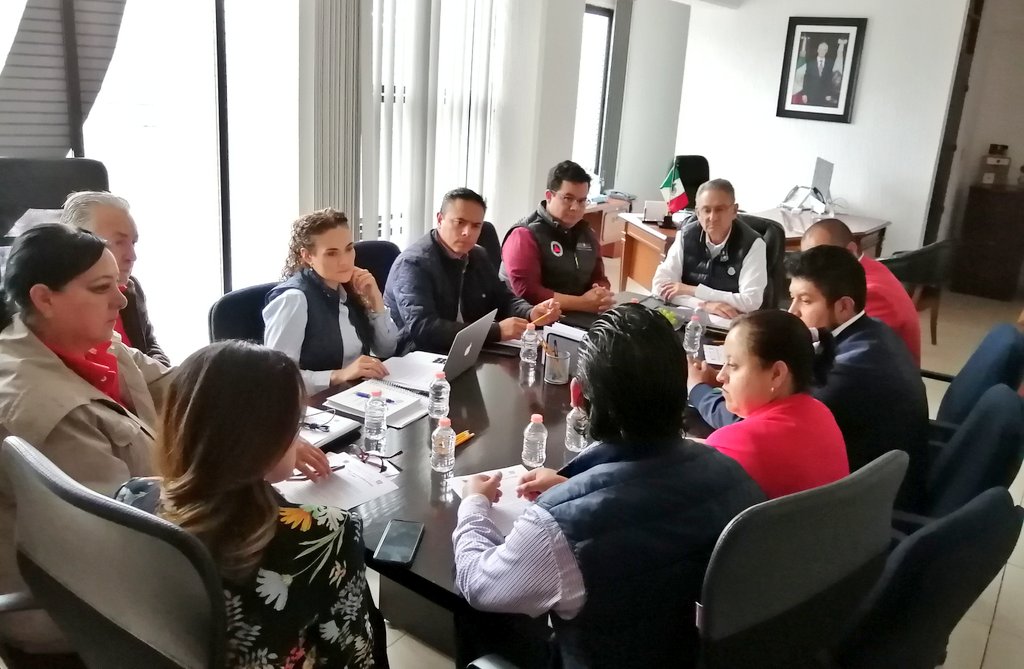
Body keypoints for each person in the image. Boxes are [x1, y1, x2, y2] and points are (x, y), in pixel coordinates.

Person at [453, 304, 764, 668]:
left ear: (577, 395)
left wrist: (473, 506)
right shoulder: (735, 477)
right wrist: (576, 486)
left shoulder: (558, 527)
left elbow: (479, 584)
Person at [116, 341, 386, 668]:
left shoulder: (132, 495)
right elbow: (353, 657)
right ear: (264, 441)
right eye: (294, 427)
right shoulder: (329, 533)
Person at [0, 224, 172, 657]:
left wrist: (258, 404)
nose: (121, 300)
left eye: (117, 283)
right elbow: (123, 532)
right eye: (101, 288)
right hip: (80, 605)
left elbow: (178, 385)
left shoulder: (90, 343)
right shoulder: (47, 409)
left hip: (117, 561)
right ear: (44, 298)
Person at [689, 246, 928, 510]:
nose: (793, 311)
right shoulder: (873, 331)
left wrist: (698, 390)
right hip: (854, 494)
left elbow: (759, 423)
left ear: (844, 306)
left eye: (805, 301)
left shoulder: (849, 371)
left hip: (880, 502)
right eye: (792, 298)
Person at [384, 188, 561, 353]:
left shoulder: (477, 254)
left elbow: (501, 298)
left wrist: (530, 312)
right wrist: (495, 331)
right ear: (440, 219)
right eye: (459, 222)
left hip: (468, 349)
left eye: (476, 226)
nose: (467, 232)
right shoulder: (413, 264)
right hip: (419, 356)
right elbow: (423, 328)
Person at [699, 310, 848, 499]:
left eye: (733, 365)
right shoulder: (821, 412)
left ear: (777, 374)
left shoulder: (736, 443)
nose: (721, 376)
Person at [263, 209, 399, 394]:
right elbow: (278, 377)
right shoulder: (294, 299)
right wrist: (339, 375)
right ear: (307, 256)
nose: (345, 261)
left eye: (349, 249)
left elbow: (386, 350)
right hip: (315, 404)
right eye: (331, 253)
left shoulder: (348, 287)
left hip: (356, 392)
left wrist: (375, 300)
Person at [60, 191, 170, 365]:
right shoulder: (61, 301)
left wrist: (159, 374)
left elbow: (149, 344)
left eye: (133, 242)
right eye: (118, 242)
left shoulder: (132, 288)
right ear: (78, 243)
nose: (132, 256)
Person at [801, 218, 921, 365]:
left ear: (851, 251)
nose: (812, 269)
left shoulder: (870, 292)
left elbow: (849, 351)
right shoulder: (868, 267)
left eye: (822, 258)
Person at [500, 160, 614, 314]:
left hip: (577, 316)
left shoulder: (587, 233)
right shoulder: (523, 235)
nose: (575, 207)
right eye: (568, 198)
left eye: (582, 201)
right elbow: (528, 292)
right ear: (549, 196)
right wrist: (583, 303)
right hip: (533, 318)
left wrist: (600, 292)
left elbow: (599, 277)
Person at [651, 179, 768, 319]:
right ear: (697, 213)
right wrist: (704, 305)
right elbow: (660, 287)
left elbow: (750, 301)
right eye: (706, 210)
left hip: (730, 321)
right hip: (689, 316)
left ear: (734, 210)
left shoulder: (752, 244)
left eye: (720, 209)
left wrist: (693, 290)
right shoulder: (685, 236)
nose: (713, 218)